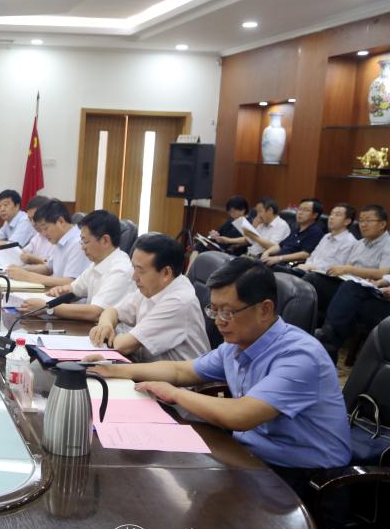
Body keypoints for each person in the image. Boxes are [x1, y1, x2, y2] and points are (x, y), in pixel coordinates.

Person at [92, 258, 350, 495]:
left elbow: (241, 415)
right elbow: (181, 371)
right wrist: (114, 369)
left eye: (227, 312)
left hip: (306, 477)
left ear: (264, 309)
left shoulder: (300, 356)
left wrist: (174, 394)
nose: (218, 321)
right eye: (214, 310)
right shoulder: (237, 345)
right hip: (250, 455)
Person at [87, 234, 209, 362]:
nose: (134, 277)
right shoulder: (153, 286)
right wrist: (105, 325)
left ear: (166, 273)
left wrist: (111, 334)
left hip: (176, 375)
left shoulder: (179, 301)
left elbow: (123, 346)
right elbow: (112, 311)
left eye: (140, 270)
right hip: (145, 367)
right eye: (133, 267)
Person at [20, 210, 133, 321]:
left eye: (85, 242)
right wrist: (62, 290)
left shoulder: (120, 270)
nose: (82, 247)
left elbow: (95, 312)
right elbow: (75, 289)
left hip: (111, 332)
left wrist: (47, 307)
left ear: (105, 240)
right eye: (81, 242)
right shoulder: (97, 263)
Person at [303, 204, 390, 315]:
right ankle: (302, 317)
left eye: (368, 221)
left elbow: (383, 273)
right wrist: (340, 271)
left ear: (382, 224)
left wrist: (348, 270)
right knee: (315, 278)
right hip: (348, 282)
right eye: (361, 221)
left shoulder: (388, 244)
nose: (363, 224)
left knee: (347, 286)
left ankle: (326, 326)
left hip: (367, 290)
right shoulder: (359, 243)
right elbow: (348, 265)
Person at [5, 200, 90, 288]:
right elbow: (48, 268)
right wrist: (21, 269)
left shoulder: (78, 243)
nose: (44, 234)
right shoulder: (60, 240)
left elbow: (71, 282)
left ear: (61, 221)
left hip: (68, 296)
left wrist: (27, 276)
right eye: (41, 230)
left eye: (45, 228)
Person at [293, 203, 357, 273]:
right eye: (331, 214)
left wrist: (312, 267)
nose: (331, 217)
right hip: (308, 271)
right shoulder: (326, 236)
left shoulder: (349, 242)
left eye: (337, 215)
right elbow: (313, 256)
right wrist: (306, 266)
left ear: (347, 221)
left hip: (325, 276)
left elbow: (337, 266)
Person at [259, 198, 325, 266]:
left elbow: (305, 254)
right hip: (277, 261)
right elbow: (280, 246)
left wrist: (279, 258)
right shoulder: (296, 229)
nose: (300, 213)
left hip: (290, 266)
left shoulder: (316, 232)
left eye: (306, 210)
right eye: (299, 209)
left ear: (315, 215)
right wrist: (267, 253)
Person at [18, 195, 54, 265]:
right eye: (30, 219)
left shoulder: (57, 237)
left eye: (35, 218)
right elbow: (23, 253)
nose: (33, 223)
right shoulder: (38, 236)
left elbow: (53, 267)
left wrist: (36, 260)